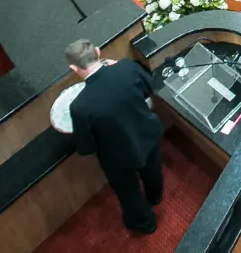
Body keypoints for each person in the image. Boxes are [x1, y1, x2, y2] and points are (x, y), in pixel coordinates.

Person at [64, 39, 165, 234]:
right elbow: (148, 88)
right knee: (153, 170)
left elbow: (87, 147)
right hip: (147, 135)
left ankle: (145, 224)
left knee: (129, 193)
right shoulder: (127, 68)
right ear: (97, 51)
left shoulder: (79, 107)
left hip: (118, 158)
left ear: (73, 68)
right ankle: (155, 197)